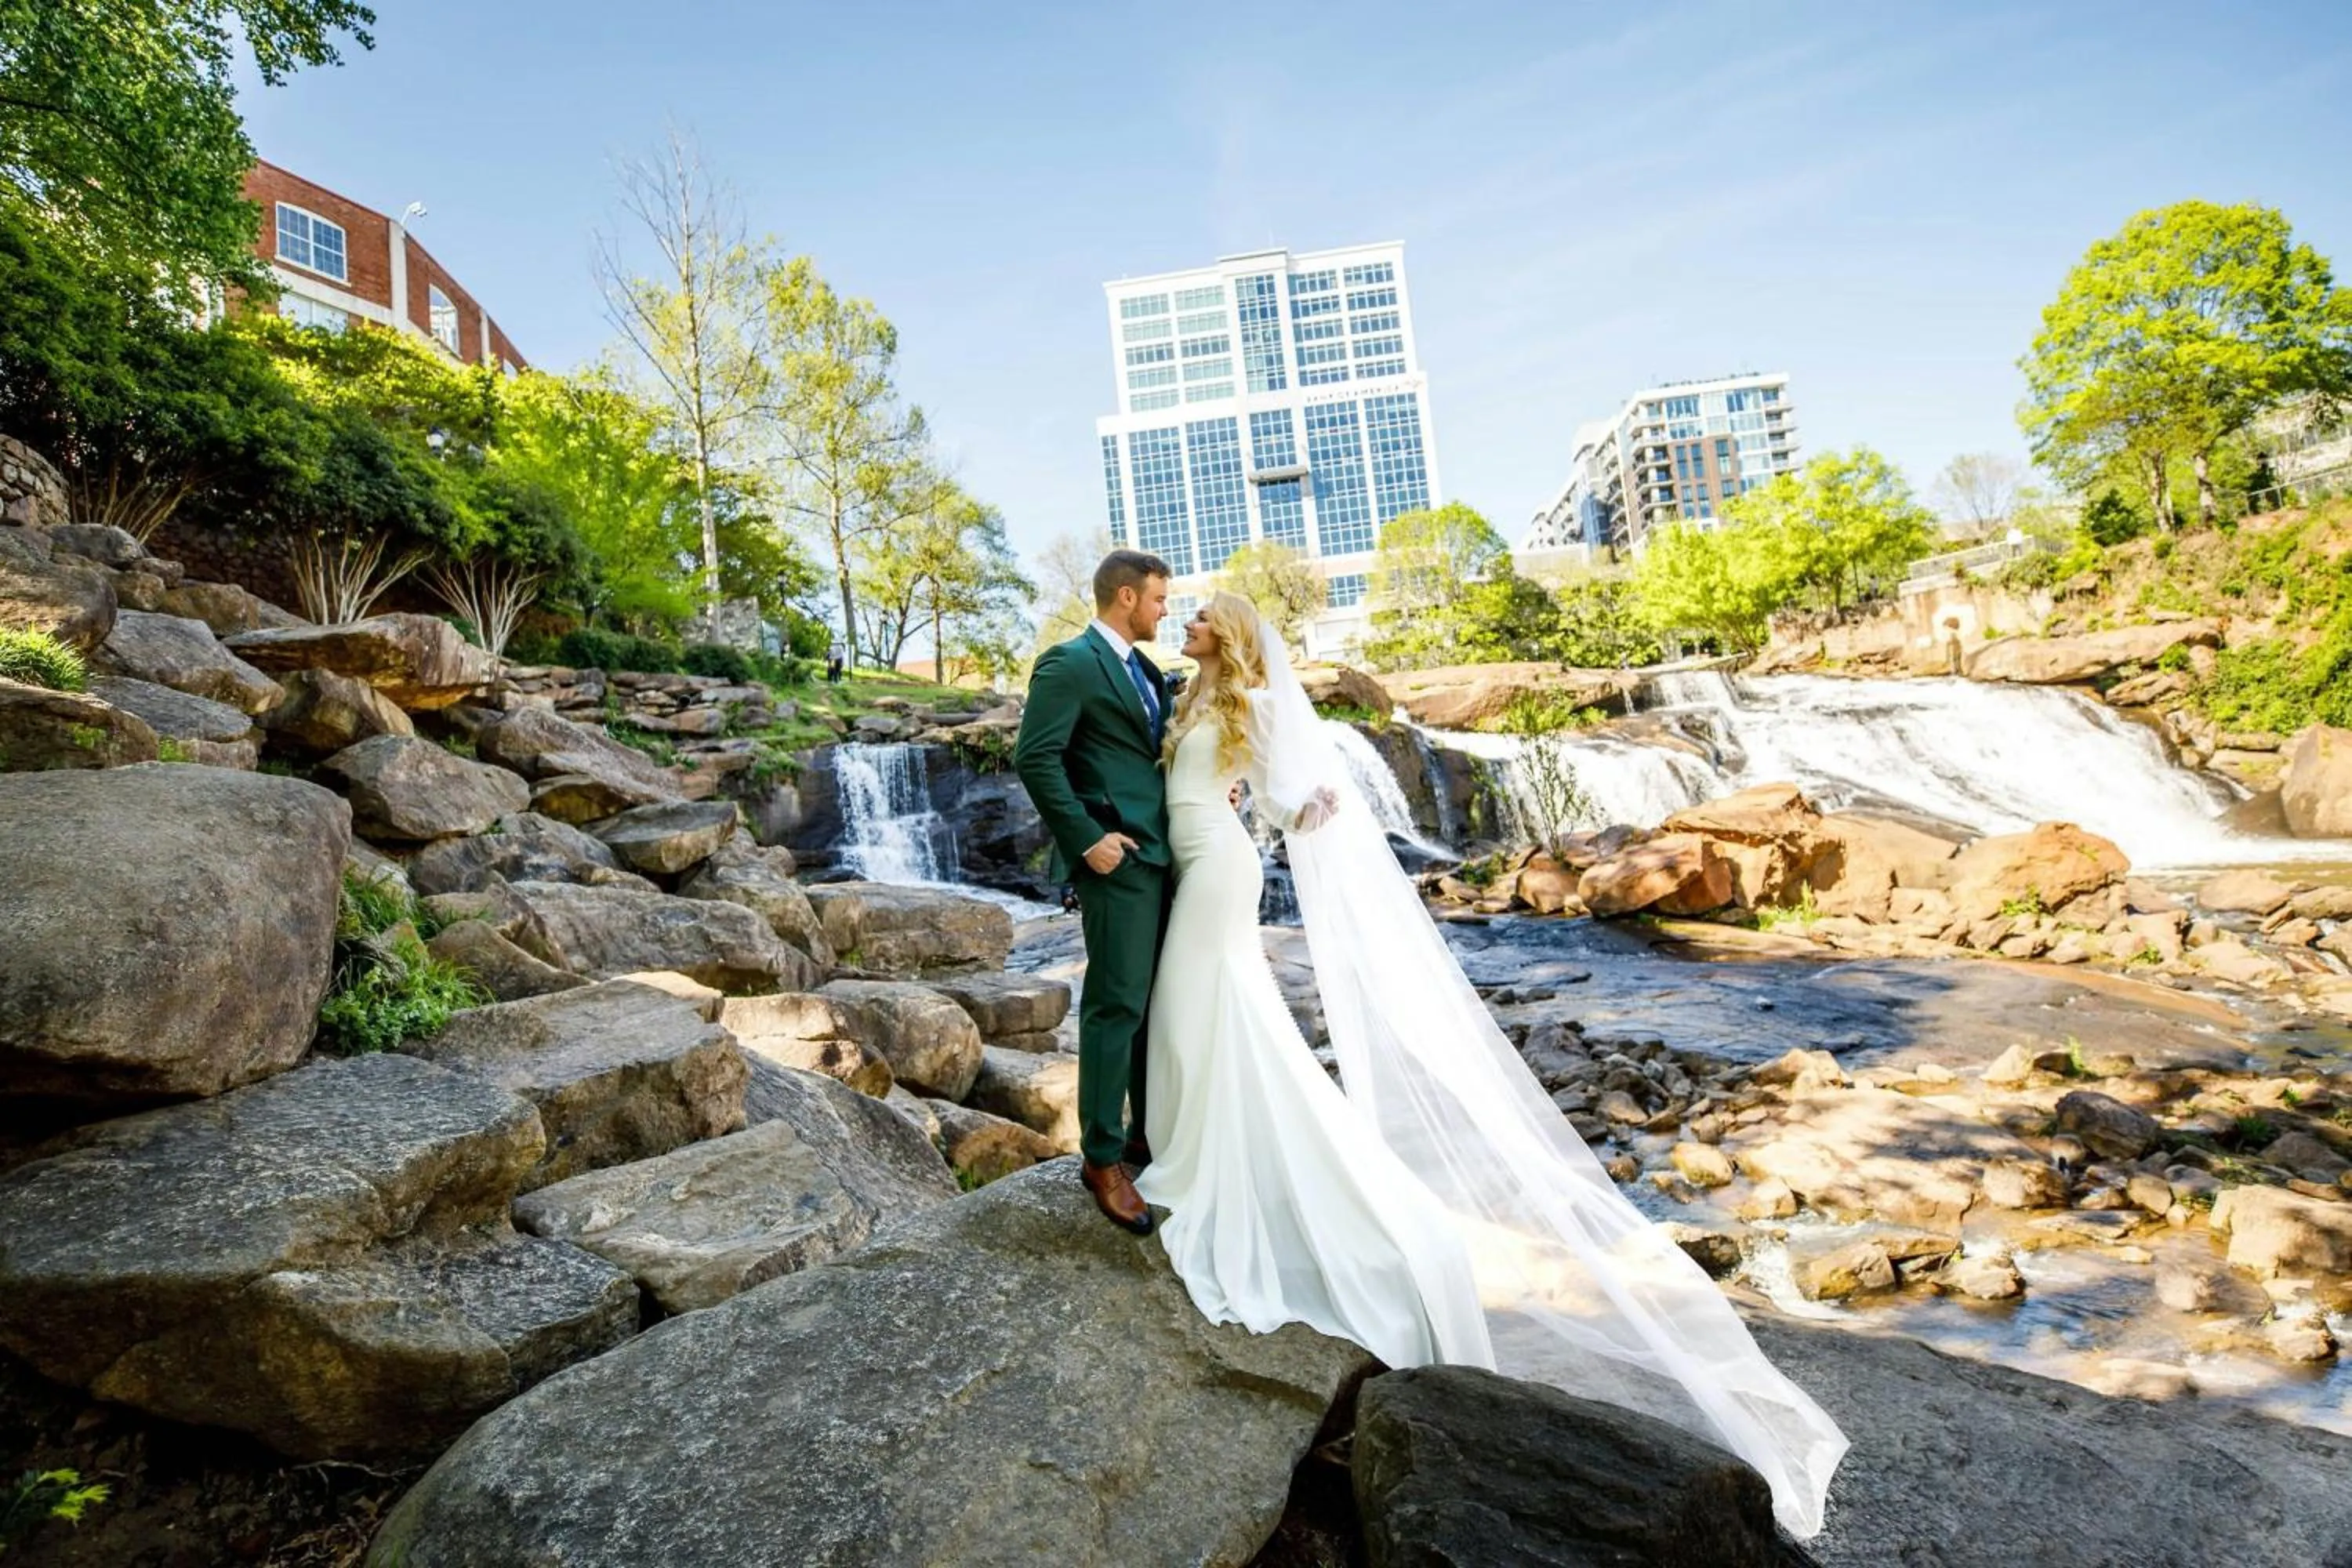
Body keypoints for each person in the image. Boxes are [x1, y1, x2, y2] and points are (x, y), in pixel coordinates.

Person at [1131, 590, 1848, 1541]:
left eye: (1199, 618)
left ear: (1228, 632)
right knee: (1205, 1014)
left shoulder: (1253, 704)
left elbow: (1287, 796)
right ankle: (1201, 1147)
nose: (1186, 623)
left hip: (1219, 868)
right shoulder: (1192, 694)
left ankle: (1211, 1167)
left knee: (1209, 1006)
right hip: (1192, 860)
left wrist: (1312, 806)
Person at [1011, 550, 1175, 1236]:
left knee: (1153, 1005)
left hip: (1168, 856)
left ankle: (1143, 1136)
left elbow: (1152, 757)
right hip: (1118, 862)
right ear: (1127, 596)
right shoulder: (1070, 664)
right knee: (1114, 1007)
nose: (1166, 611)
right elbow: (1034, 757)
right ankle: (1101, 1159)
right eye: (1160, 599)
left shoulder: (1148, 672)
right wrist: (1088, 839)